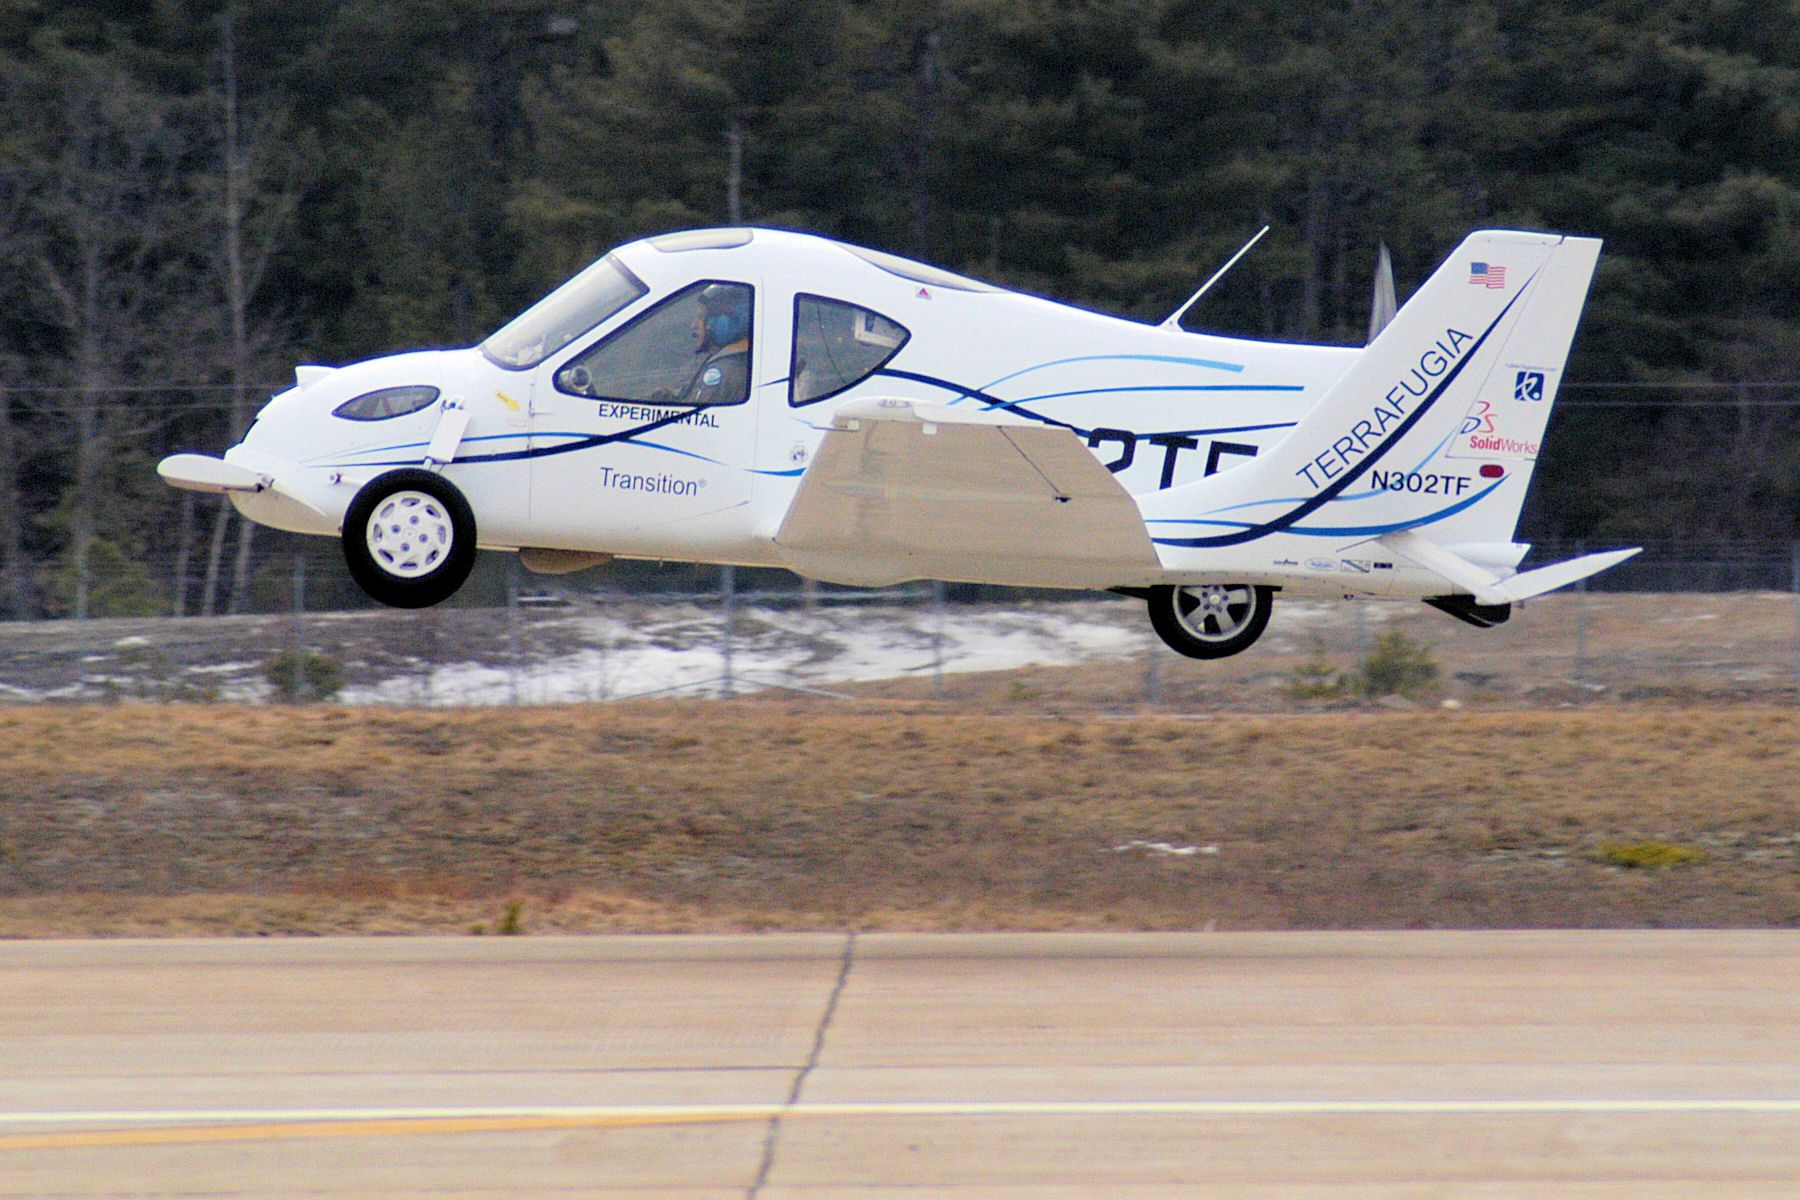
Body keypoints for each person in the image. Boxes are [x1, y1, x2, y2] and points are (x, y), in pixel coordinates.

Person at [678, 284, 750, 406]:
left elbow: (694, 411)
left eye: (700, 318)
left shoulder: (725, 370)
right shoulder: (736, 361)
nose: (694, 326)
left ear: (724, 322)